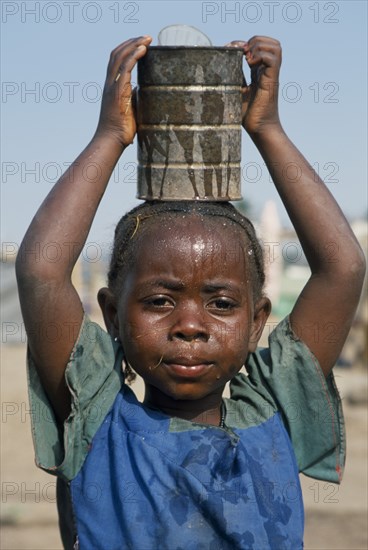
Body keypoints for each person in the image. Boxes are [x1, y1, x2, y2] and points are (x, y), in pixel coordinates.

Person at [16, 35, 365, 549]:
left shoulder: (273, 417)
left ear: (257, 322)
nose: (190, 325)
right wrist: (110, 136)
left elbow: (343, 266)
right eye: (159, 300)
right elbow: (42, 269)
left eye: (222, 304)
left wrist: (267, 128)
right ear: (111, 314)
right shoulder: (97, 421)